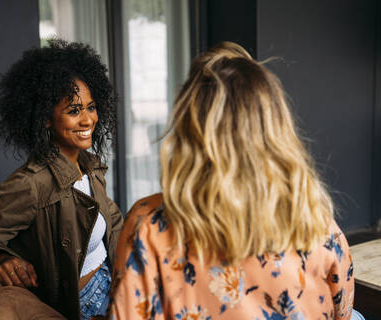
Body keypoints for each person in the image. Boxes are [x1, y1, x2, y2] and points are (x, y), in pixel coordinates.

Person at [109, 42, 357, 320]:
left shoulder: (147, 226)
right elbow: (342, 313)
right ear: (277, 133)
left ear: (188, 132)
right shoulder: (319, 226)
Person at [0, 39, 123, 320]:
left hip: (113, 281)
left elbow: (114, 223)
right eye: (73, 110)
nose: (87, 120)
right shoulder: (32, 183)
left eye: (91, 107)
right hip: (88, 302)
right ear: (45, 118)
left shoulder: (90, 167)